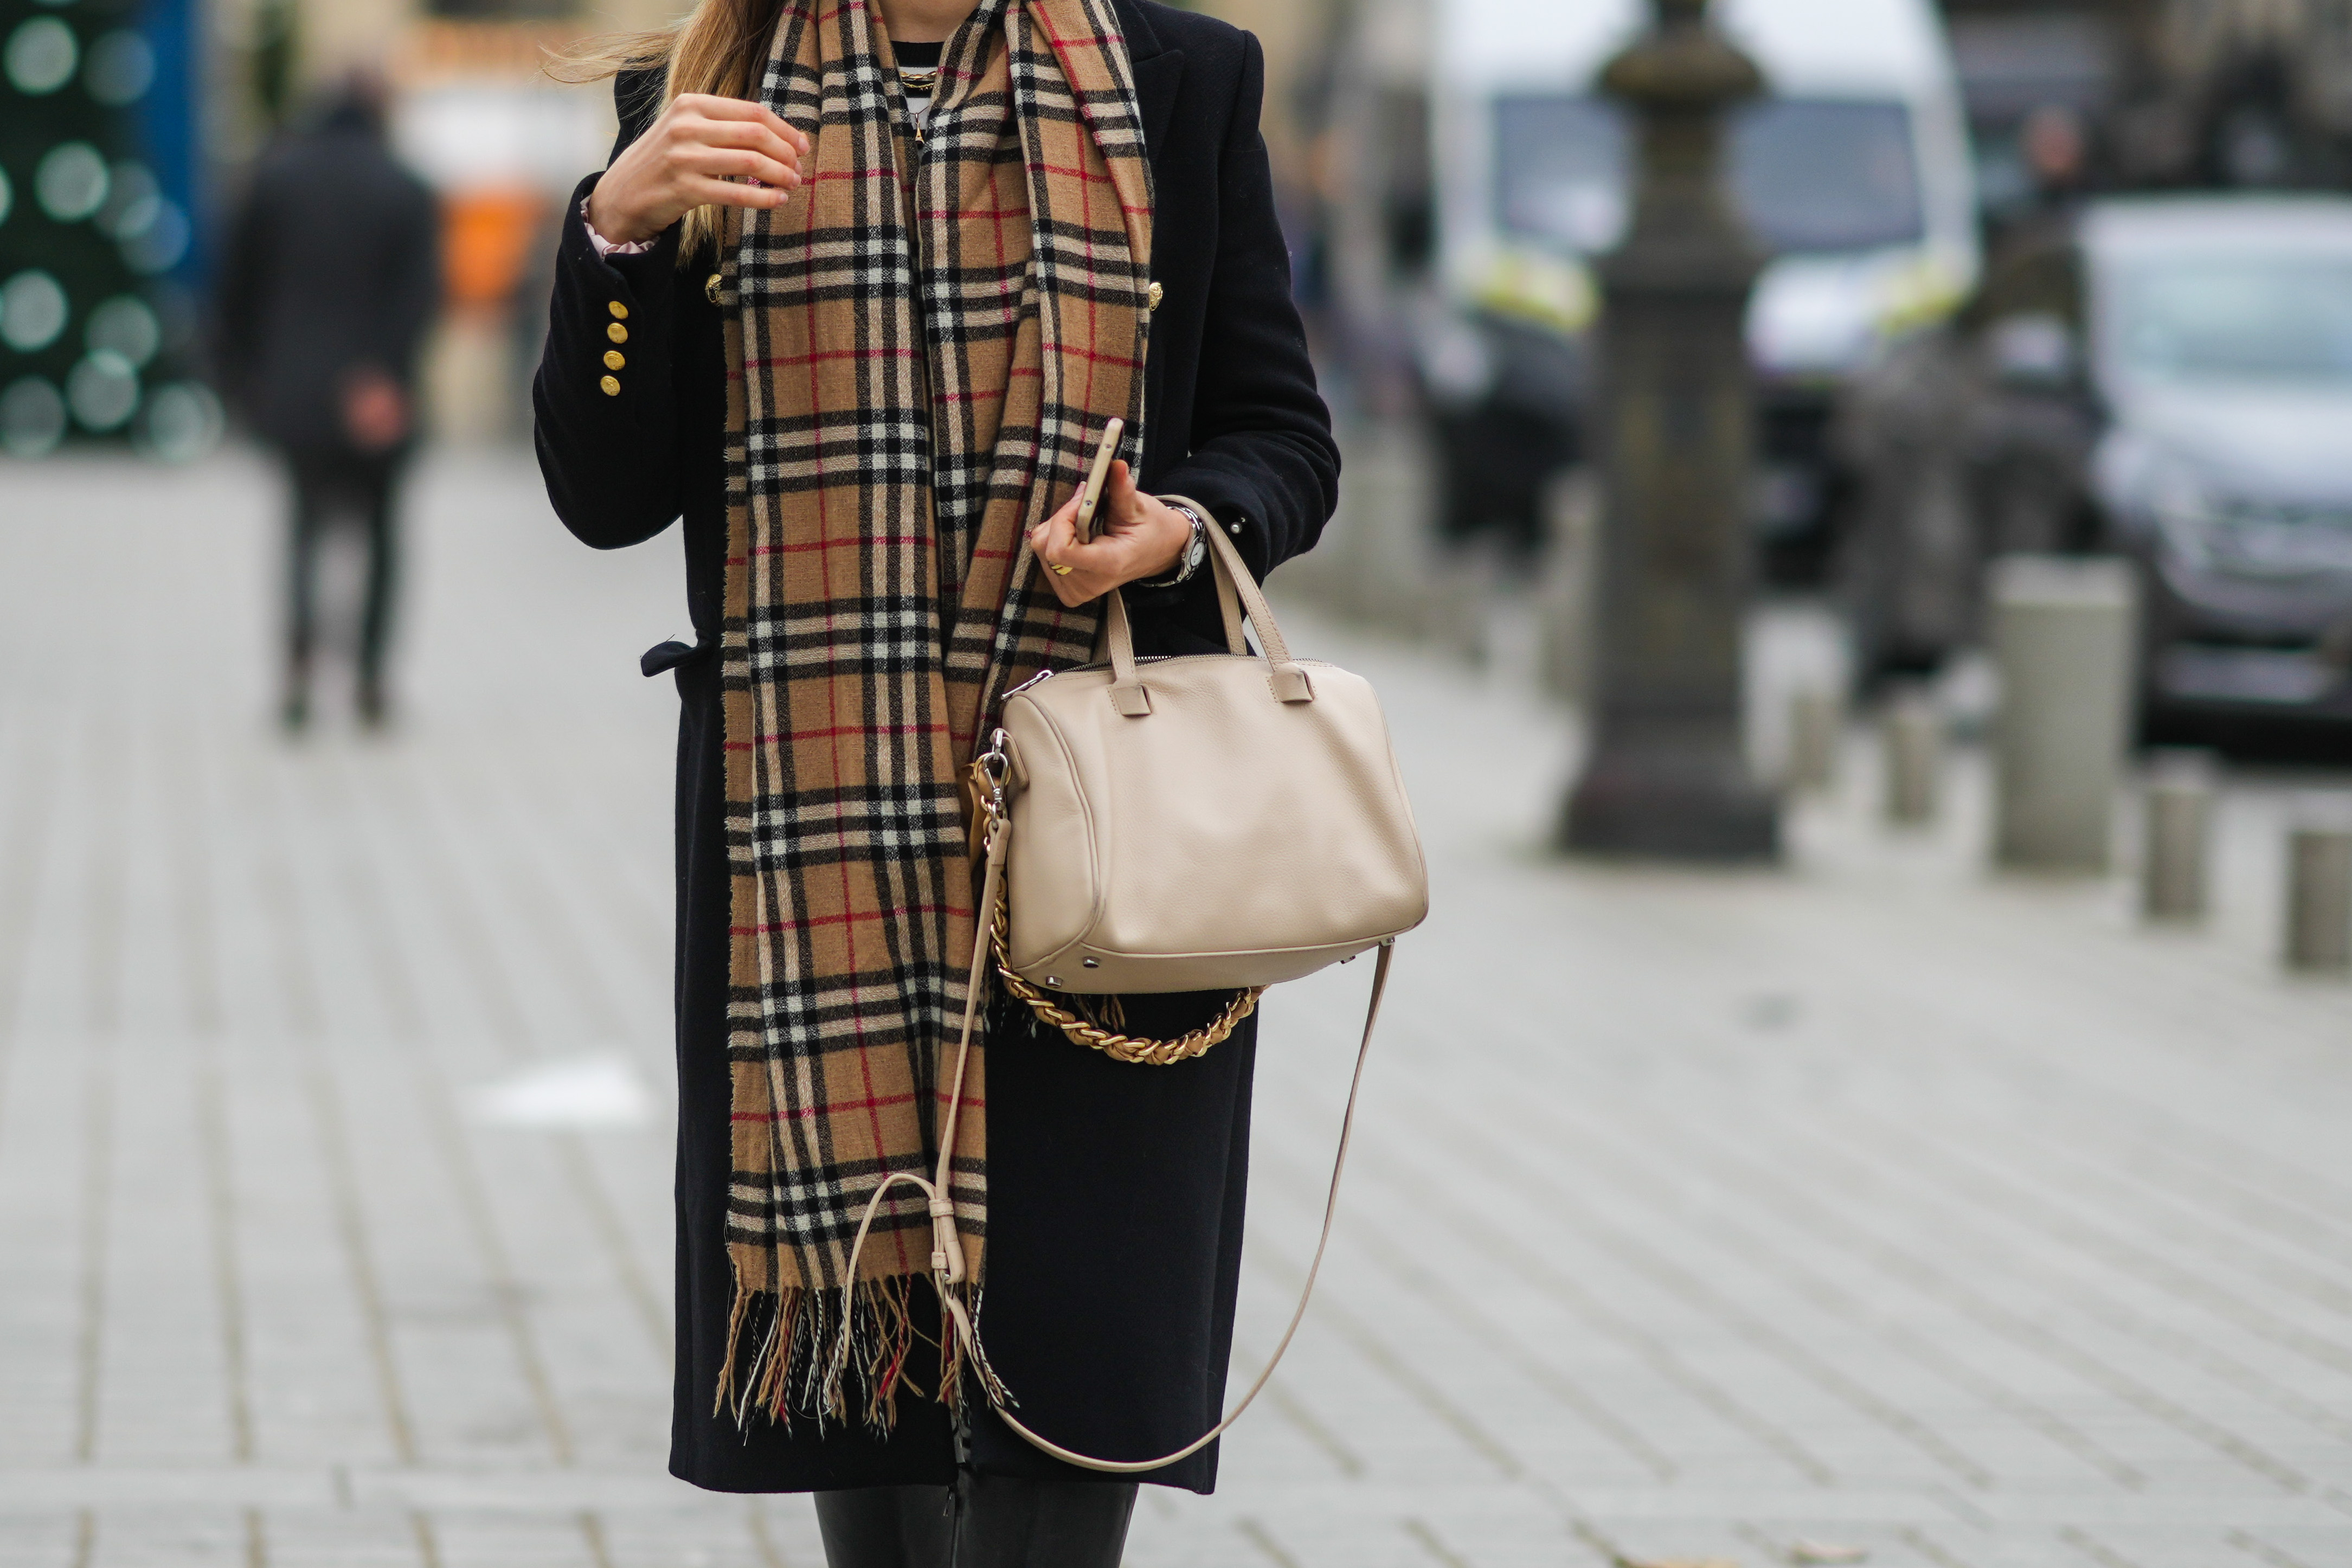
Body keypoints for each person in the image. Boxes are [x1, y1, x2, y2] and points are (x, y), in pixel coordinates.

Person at [534, 0, 1337, 1561]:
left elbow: (1281, 439)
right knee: (871, 1402)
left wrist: (1175, 529)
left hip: (1105, 854)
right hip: (819, 863)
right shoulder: (697, 90)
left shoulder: (1179, 80)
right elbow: (602, 493)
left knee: (1073, 1407)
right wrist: (616, 233)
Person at [215, 71, 441, 731]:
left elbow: (236, 289)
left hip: (295, 390)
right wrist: (387, 374)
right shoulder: (406, 185)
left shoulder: (274, 180)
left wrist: (246, 378)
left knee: (302, 530)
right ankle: (370, 676)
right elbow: (420, 295)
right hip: (379, 395)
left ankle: (297, 669)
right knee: (382, 536)